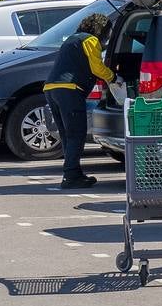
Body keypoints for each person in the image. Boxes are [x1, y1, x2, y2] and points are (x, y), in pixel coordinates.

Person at [43, 13, 115, 189]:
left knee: (67, 134)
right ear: (102, 30)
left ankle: (72, 173)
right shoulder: (90, 41)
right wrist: (113, 77)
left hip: (51, 88)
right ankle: (71, 176)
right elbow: (96, 67)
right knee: (76, 133)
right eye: (107, 32)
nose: (107, 36)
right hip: (69, 89)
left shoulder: (71, 39)